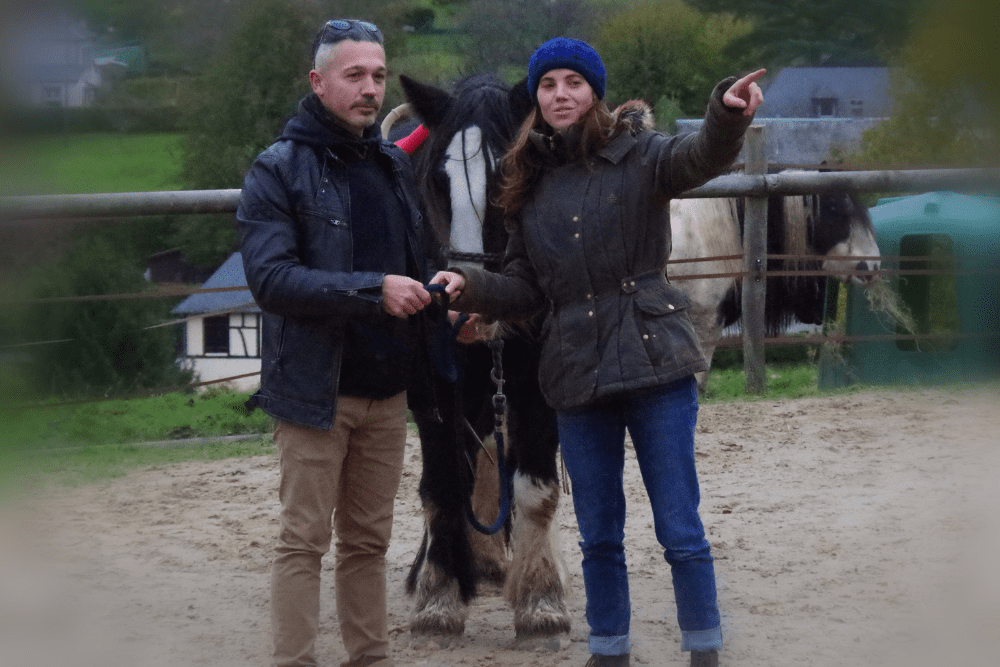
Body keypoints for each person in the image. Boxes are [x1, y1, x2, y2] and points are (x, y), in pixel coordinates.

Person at [431, 37, 764, 667]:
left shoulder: (642, 156)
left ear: (594, 93)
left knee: (680, 530)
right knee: (598, 535)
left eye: (573, 83)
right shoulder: (524, 184)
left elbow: (701, 157)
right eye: (549, 84)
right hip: (576, 372)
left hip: (653, 360)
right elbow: (526, 286)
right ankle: (608, 651)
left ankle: (703, 649)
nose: (561, 94)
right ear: (536, 98)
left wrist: (726, 114)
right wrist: (471, 287)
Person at [237, 18, 437, 667]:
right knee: (303, 542)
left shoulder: (391, 165)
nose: (370, 88)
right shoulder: (277, 170)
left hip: (387, 392)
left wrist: (449, 303)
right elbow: (272, 279)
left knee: (368, 542)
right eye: (355, 75)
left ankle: (369, 656)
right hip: (315, 392)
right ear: (318, 82)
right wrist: (372, 288)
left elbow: (417, 258)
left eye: (379, 75)